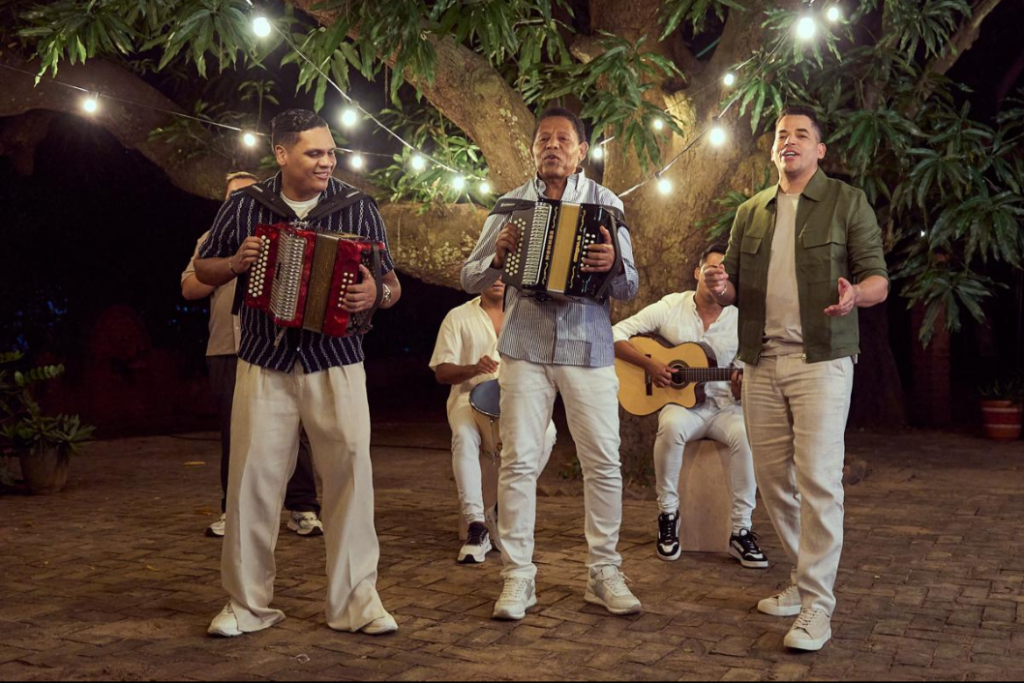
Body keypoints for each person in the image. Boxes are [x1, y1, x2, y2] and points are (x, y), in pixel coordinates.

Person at [194, 109, 402, 638]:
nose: (327, 162)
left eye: (331, 152)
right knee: (251, 483)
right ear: (282, 154)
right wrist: (236, 264)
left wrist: (375, 294)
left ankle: (357, 604)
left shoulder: (357, 206)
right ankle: (246, 605)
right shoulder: (246, 206)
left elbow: (390, 283)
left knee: (350, 478)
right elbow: (203, 269)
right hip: (263, 360)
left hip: (337, 359)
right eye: (314, 153)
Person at [704, 105, 890, 651]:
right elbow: (734, 289)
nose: (789, 141)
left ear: (819, 150)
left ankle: (816, 607)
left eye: (801, 135)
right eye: (782, 134)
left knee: (818, 481)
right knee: (772, 481)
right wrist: (720, 287)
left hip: (821, 361)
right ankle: (803, 579)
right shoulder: (750, 212)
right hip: (761, 362)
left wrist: (856, 295)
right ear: (773, 149)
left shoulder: (846, 201)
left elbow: (878, 279)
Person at [461, 107, 641, 621]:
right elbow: (470, 277)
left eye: (564, 140)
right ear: (533, 150)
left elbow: (630, 285)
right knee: (518, 461)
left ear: (581, 152)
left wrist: (612, 266)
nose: (553, 147)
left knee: (602, 462)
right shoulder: (511, 205)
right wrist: (497, 258)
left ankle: (603, 572)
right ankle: (518, 575)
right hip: (525, 347)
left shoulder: (606, 203)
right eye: (544, 139)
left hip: (588, 347)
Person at [181, 172, 324, 539]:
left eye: (248, 195)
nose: (241, 202)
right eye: (234, 196)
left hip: (274, 346)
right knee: (235, 432)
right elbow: (190, 288)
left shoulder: (284, 235)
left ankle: (302, 507)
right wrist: (232, 264)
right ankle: (233, 509)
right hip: (226, 348)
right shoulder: (210, 240)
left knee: (293, 427)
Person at [611, 244, 767, 568]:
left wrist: (741, 387)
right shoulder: (671, 306)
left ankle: (741, 530)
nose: (717, 278)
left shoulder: (740, 320)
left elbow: (749, 374)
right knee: (669, 427)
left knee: (746, 436)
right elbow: (615, 334)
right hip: (683, 409)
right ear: (697, 273)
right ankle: (668, 516)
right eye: (711, 270)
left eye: (724, 273)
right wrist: (650, 365)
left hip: (725, 408)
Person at [429, 279, 557, 565]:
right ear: (479, 278)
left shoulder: (528, 315)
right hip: (469, 398)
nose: (498, 280)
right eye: (491, 273)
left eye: (503, 274)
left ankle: (498, 508)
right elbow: (442, 373)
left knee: (548, 433)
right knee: (464, 435)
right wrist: (473, 368)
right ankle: (476, 525)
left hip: (515, 399)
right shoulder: (458, 316)